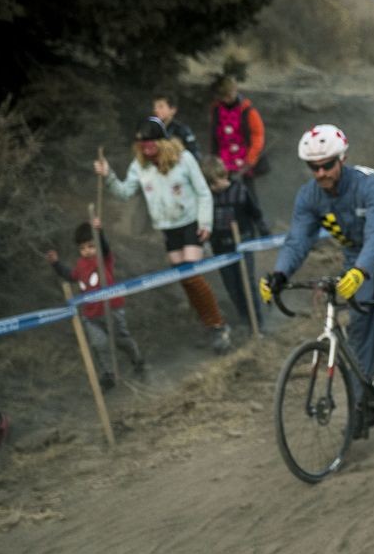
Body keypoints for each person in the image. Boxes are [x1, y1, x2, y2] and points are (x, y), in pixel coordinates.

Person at [259, 125, 374, 437]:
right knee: (360, 319)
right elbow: (297, 241)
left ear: (342, 159)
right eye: (313, 167)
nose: (320, 173)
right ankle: (363, 402)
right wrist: (279, 274)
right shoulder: (309, 196)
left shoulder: (368, 184)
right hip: (358, 250)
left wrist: (361, 271)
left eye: (327, 164)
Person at [95, 116, 231, 353]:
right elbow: (124, 192)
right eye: (142, 145)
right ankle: (208, 325)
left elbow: (203, 192)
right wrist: (108, 176)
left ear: (162, 142)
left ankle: (219, 325)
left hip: (190, 222)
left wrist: (206, 222)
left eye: (151, 144)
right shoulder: (140, 166)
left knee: (192, 275)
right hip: (167, 227)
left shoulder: (184, 159)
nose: (146, 149)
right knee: (184, 279)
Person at [46, 219, 146, 388]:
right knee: (98, 344)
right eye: (83, 248)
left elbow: (105, 247)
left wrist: (99, 233)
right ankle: (108, 375)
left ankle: (137, 360)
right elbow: (71, 276)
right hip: (91, 315)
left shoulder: (104, 259)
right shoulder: (80, 264)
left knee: (121, 340)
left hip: (111, 309)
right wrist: (56, 264)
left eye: (91, 246)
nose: (87, 251)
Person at [201, 155, 265, 331]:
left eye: (215, 183)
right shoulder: (209, 198)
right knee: (232, 286)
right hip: (221, 247)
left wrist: (263, 232)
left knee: (247, 282)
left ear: (224, 176)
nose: (214, 188)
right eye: (210, 185)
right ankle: (244, 317)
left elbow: (255, 213)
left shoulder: (240, 191)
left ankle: (257, 322)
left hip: (242, 242)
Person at [208, 73, 267, 197]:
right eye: (224, 96)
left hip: (244, 161)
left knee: (248, 194)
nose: (228, 98)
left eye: (229, 94)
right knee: (222, 193)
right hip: (222, 161)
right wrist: (214, 157)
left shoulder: (248, 111)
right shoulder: (216, 110)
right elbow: (214, 135)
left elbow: (258, 135)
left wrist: (251, 158)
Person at [152, 89, 200, 160]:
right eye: (154, 107)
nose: (156, 110)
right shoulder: (152, 131)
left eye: (160, 106)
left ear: (173, 110)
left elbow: (195, 155)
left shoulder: (182, 130)